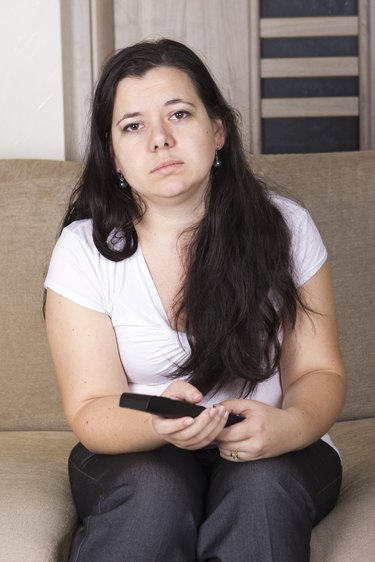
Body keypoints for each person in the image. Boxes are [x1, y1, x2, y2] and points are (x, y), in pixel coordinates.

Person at [44, 38, 346, 562]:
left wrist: (287, 427)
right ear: (113, 153)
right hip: (136, 452)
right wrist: (156, 425)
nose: (160, 140)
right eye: (133, 125)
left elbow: (319, 373)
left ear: (218, 130)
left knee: (260, 492)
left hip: (273, 447)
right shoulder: (84, 249)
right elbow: (91, 408)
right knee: (153, 496)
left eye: (179, 114)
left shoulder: (285, 226)